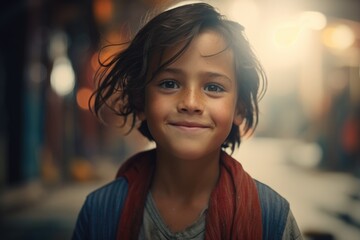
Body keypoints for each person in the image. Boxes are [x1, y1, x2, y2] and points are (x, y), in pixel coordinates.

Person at [72, 2, 303, 239]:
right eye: (169, 84)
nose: (191, 103)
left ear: (239, 109)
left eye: (213, 87)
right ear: (141, 101)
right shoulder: (101, 212)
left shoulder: (272, 218)